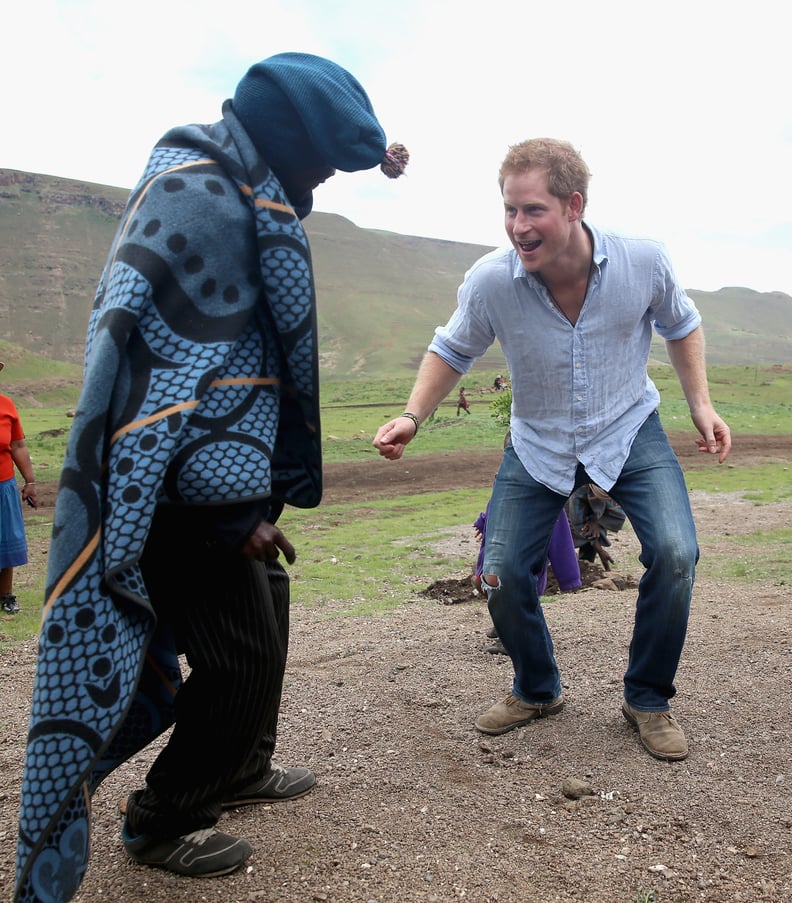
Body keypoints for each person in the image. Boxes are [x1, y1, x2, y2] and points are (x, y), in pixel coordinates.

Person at [15, 52, 408, 901]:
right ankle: (162, 816)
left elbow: (233, 346)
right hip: (176, 499)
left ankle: (240, 765)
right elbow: (180, 374)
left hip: (226, 488)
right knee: (237, 661)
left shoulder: (238, 182)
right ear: (285, 139)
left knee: (266, 616)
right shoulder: (205, 203)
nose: (324, 186)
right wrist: (230, 515)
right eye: (323, 166)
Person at [374, 137, 730, 763]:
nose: (518, 227)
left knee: (676, 553)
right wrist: (412, 415)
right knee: (503, 573)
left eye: (532, 210)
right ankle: (537, 688)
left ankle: (647, 697)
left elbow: (681, 323)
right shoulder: (491, 281)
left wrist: (700, 404)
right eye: (509, 210)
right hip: (537, 440)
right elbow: (452, 348)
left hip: (628, 428)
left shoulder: (643, 262)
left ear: (573, 205)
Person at [474, 504, 581, 654]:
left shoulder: (544, 492)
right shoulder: (506, 484)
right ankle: (503, 622)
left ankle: (511, 638)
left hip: (525, 556)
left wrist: (569, 575)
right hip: (497, 552)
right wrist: (484, 521)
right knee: (481, 582)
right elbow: (497, 503)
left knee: (515, 593)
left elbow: (559, 534)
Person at [0, 363, 38, 614]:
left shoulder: (6, 405)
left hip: (3, 484)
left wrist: (30, 481)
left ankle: (6, 596)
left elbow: (18, 445)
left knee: (6, 539)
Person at [566, 482, 626, 570]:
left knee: (594, 533)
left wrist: (596, 521)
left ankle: (586, 567)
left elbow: (618, 513)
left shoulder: (612, 486)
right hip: (570, 510)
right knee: (566, 542)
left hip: (593, 512)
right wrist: (600, 550)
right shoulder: (578, 493)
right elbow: (578, 522)